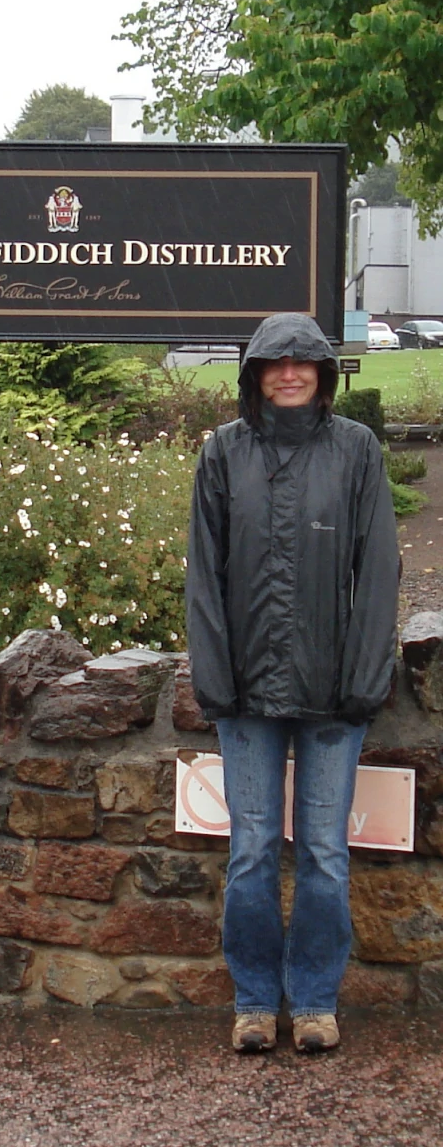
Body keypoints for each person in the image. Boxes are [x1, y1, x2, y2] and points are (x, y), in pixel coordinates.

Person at [186, 312, 399, 1054]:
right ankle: (252, 1000)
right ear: (253, 374)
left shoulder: (356, 452)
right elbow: (203, 577)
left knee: (322, 852)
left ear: (322, 373)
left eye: (300, 362)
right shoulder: (223, 453)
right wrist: (217, 680)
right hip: (245, 695)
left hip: (332, 692)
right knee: (249, 851)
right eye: (272, 363)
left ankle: (312, 1000)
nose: (287, 373)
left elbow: (376, 573)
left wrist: (364, 679)